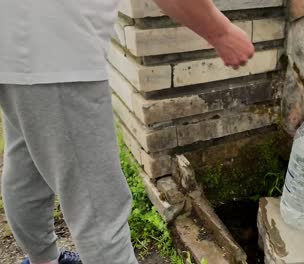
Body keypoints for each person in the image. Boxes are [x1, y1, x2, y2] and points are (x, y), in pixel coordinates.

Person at [0, 0, 255, 263]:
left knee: (26, 162)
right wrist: (222, 31)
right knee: (99, 206)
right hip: (58, 51)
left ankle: (43, 260)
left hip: (15, 41)